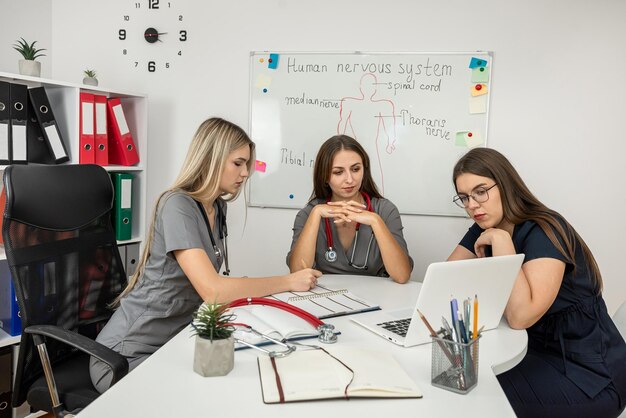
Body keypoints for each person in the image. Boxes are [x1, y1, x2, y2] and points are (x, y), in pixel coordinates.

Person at [90, 117, 322, 393]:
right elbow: (212, 290)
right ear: (211, 158)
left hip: (173, 345)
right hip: (125, 355)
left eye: (247, 164)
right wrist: (288, 281)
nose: (246, 172)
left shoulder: (216, 208)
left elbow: (214, 285)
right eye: (238, 163)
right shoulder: (177, 205)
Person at [447, 147, 626, 417]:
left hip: (590, 375)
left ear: (505, 185)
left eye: (480, 191)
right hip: (532, 354)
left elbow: (521, 317)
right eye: (464, 197)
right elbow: (446, 280)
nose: (472, 205)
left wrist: (503, 243)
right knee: (458, 381)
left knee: (474, 397)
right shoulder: (484, 226)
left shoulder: (545, 228)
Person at [287, 134, 413, 283]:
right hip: (326, 298)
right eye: (338, 172)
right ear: (325, 176)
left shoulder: (385, 210)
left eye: (355, 169)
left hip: (378, 299)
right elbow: (297, 273)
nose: (349, 179)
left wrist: (375, 221)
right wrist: (315, 216)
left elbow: (402, 275)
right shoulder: (309, 213)